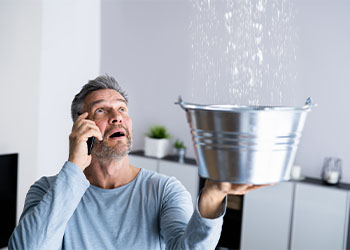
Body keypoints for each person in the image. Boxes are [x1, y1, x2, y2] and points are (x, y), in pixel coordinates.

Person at [9, 75, 266, 250]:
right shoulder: (47, 191)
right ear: (80, 126)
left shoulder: (164, 190)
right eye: (101, 110)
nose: (116, 117)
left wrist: (211, 196)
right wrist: (74, 168)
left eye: (122, 109)